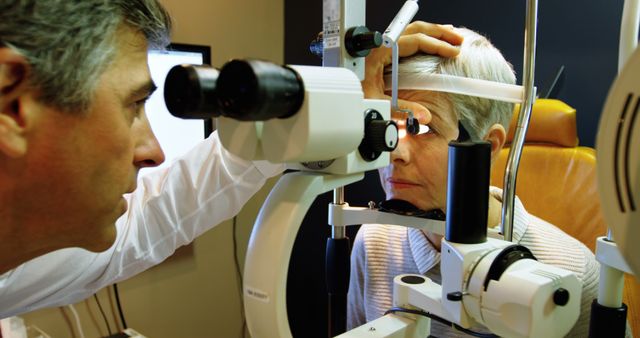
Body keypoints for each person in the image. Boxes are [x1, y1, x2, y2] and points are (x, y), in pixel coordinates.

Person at [0, 2, 463, 319]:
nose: (154, 152)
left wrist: (293, 117)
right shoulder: (375, 244)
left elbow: (146, 221)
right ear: (12, 106)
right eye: (133, 105)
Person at [348, 26, 600, 337]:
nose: (394, 152)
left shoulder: (573, 272)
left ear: (489, 146)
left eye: (423, 129)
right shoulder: (373, 242)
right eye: (386, 125)